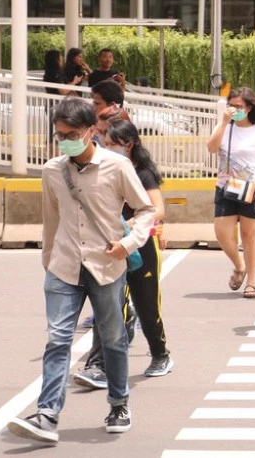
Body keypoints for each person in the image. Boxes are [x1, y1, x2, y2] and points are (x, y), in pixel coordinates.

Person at [6, 98, 155, 444]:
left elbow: (146, 210)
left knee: (114, 339)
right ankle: (47, 416)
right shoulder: (52, 170)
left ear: (91, 131)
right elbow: (51, 218)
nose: (65, 141)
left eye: (72, 134)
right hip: (63, 267)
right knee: (57, 340)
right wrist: (48, 260)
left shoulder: (117, 166)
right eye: (60, 135)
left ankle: (119, 403)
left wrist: (129, 244)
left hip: (106, 265)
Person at [73, 120, 173, 390]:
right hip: (110, 246)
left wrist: (129, 224)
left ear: (128, 145)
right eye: (105, 142)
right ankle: (99, 366)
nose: (107, 147)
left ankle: (160, 355)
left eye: (113, 143)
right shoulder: (102, 169)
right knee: (109, 306)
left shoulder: (142, 174)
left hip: (140, 245)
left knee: (146, 304)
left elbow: (157, 210)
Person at [207, 87, 255, 298]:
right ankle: (239, 264)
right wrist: (225, 122)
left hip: (251, 188)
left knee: (248, 236)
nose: (234, 110)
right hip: (226, 187)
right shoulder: (225, 126)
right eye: (231, 106)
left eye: (239, 106)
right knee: (222, 233)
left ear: (249, 107)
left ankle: (251, 282)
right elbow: (211, 147)